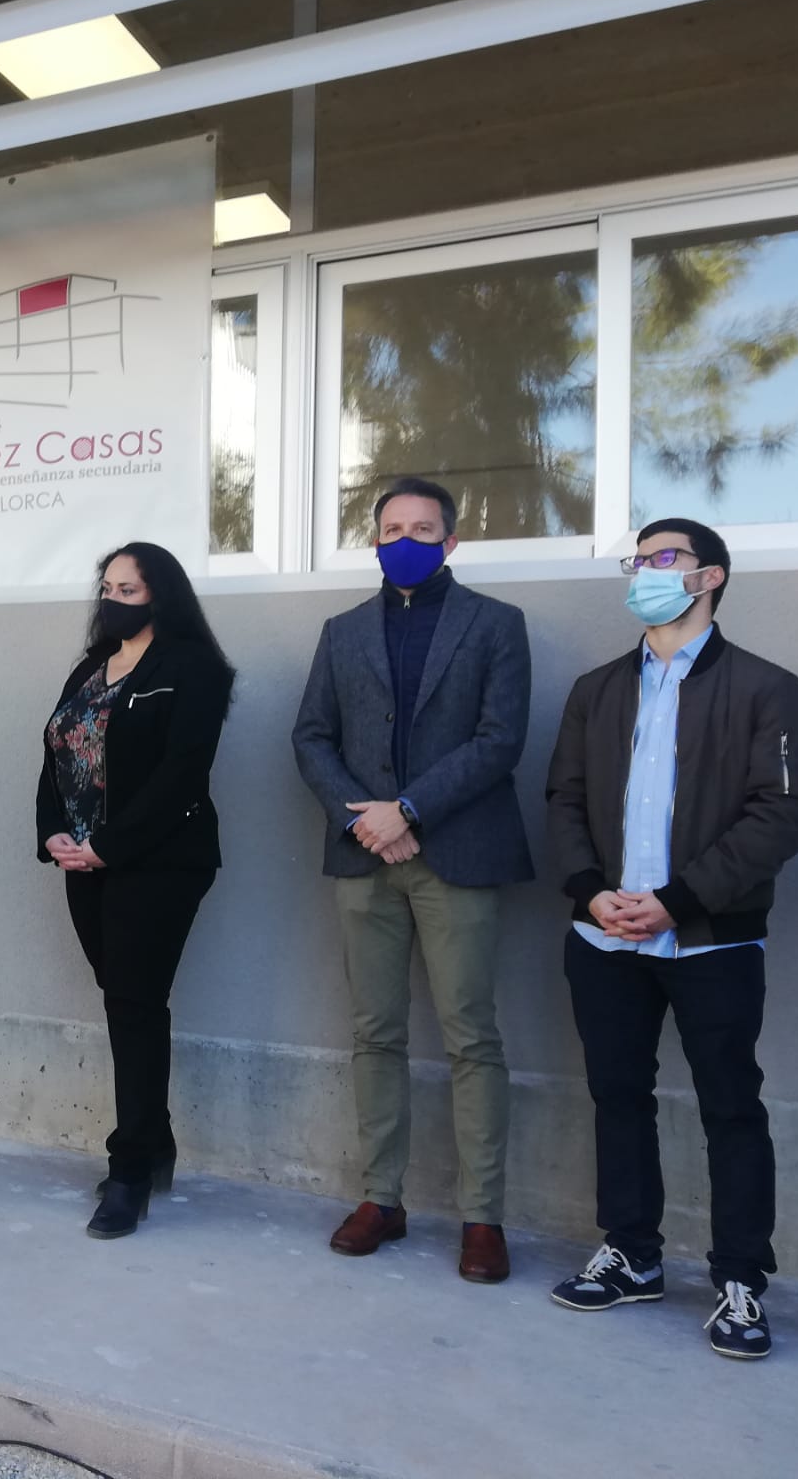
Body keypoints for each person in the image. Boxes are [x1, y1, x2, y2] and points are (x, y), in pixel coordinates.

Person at [544, 519, 798, 1361]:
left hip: (712, 942)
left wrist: (678, 900)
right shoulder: (596, 688)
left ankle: (740, 1282)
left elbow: (785, 815)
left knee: (731, 1107)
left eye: (664, 559)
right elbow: (562, 798)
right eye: (639, 560)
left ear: (709, 579)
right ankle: (631, 1254)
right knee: (617, 1097)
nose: (644, 572)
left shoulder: (769, 688)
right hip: (605, 943)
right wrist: (591, 895)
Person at [291, 477, 532, 1284]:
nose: (407, 538)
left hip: (455, 856)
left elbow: (501, 741)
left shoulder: (497, 625)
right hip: (365, 859)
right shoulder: (343, 629)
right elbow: (312, 736)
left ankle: (482, 1216)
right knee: (375, 1034)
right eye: (392, 527)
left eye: (423, 528)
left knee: (472, 1037)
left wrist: (409, 810)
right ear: (374, 539)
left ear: (451, 541)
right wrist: (365, 819)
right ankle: (381, 1198)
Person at [36, 541, 236, 1241]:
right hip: (84, 863)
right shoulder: (92, 666)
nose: (115, 600)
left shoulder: (195, 668)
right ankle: (155, 1143)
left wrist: (108, 845)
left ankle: (129, 1173)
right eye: (109, 587)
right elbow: (58, 752)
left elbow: (182, 775)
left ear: (164, 595)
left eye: (131, 589)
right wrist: (56, 834)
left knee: (133, 1003)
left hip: (158, 863)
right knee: (127, 1003)